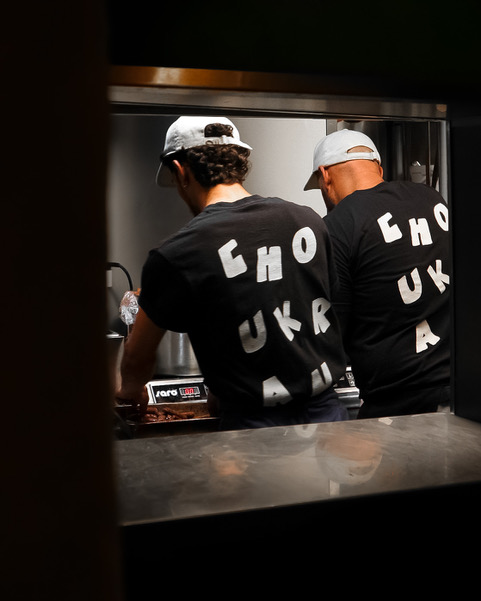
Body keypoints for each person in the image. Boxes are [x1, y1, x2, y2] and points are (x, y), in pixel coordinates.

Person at [115, 116, 348, 430]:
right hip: (329, 421)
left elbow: (137, 359)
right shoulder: (309, 222)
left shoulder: (178, 253)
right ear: (239, 163)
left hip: (252, 431)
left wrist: (129, 392)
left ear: (181, 172)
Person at [304, 128, 450, 419]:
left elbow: (332, 329)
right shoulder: (432, 199)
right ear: (378, 168)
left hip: (397, 401)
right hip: (459, 385)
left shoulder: (337, 225)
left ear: (325, 175)